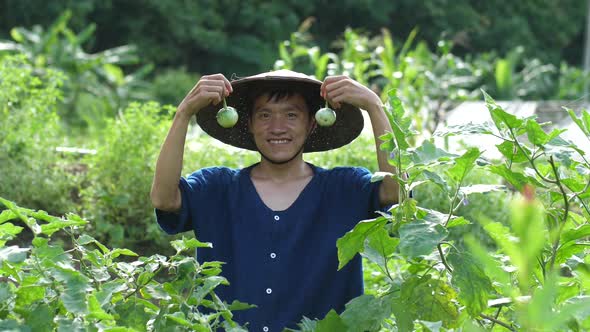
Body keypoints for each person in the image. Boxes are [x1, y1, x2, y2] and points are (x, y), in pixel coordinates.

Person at [150, 70, 398, 331]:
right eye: (265, 115)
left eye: (291, 115)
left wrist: (375, 107)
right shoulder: (216, 188)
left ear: (311, 124)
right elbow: (164, 199)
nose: (277, 127)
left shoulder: (345, 188)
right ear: (249, 124)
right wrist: (183, 114)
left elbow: (396, 192)